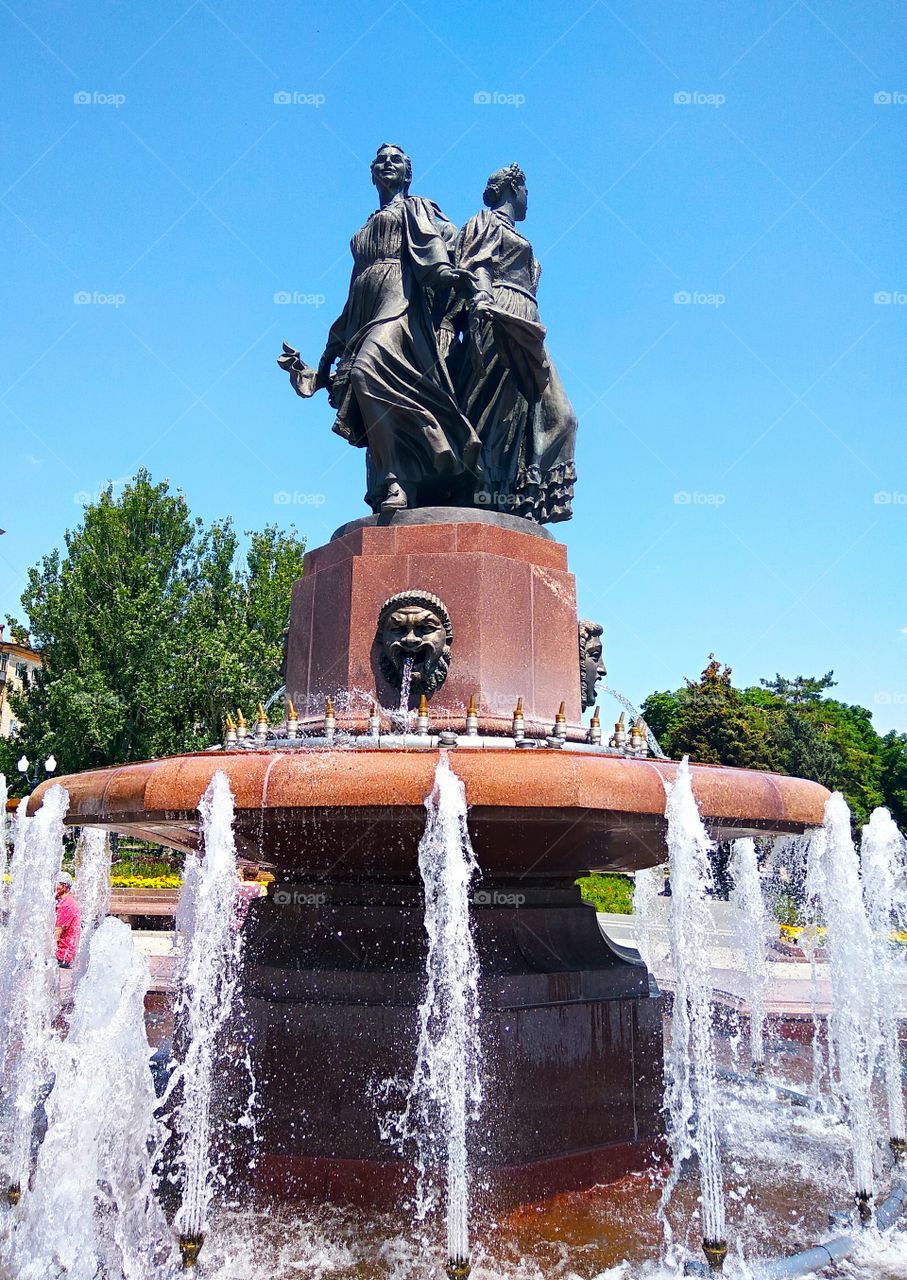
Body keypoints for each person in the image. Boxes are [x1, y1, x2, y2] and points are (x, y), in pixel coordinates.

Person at [283, 143, 484, 514]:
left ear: (408, 173)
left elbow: (433, 247)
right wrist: (324, 360)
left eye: (397, 159)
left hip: (400, 299)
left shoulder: (415, 207)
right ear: (372, 172)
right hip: (364, 306)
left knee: (365, 372)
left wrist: (452, 277)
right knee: (364, 388)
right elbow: (355, 283)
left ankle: (399, 473)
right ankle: (396, 477)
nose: (387, 163)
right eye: (381, 159)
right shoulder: (365, 226)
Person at [451, 163, 578, 523]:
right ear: (513, 187)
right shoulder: (487, 222)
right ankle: (483, 494)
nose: (528, 200)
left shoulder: (515, 233)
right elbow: (479, 266)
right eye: (526, 191)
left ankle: (516, 496)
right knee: (496, 414)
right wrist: (484, 300)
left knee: (559, 416)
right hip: (501, 315)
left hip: (528, 324)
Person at [55, 871, 81, 969]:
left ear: (64, 887)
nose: (53, 887)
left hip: (63, 956)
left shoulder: (66, 905)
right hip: (65, 954)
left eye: (56, 884)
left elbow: (57, 932)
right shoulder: (66, 901)